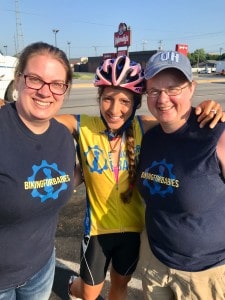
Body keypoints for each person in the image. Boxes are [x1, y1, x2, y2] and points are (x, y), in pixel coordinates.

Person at [54, 55, 225, 300]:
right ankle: (73, 287)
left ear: (135, 103)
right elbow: (41, 120)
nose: (114, 109)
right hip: (100, 231)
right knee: (89, 293)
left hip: (135, 231)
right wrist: (10, 109)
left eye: (124, 101)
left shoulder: (144, 127)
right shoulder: (84, 125)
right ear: (99, 99)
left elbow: (183, 119)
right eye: (107, 99)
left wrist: (209, 108)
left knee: (119, 286)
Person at [137, 50, 225, 300]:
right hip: (155, 261)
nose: (163, 99)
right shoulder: (150, 135)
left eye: (173, 89)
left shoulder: (216, 135)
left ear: (191, 88)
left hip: (205, 274)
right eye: (154, 90)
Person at [0, 41, 76, 300]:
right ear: (18, 80)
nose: (46, 92)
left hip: (41, 268)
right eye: (35, 79)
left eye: (57, 84)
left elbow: (60, 181)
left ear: (65, 91)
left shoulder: (63, 138)